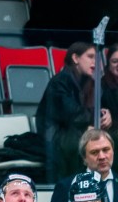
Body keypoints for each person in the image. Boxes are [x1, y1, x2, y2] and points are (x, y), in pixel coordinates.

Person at [36, 43, 109, 185]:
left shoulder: (88, 82)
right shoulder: (59, 82)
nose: (95, 62)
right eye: (90, 57)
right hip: (56, 138)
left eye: (97, 58)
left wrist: (106, 114)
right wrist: (92, 121)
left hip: (72, 133)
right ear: (75, 58)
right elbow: (72, 114)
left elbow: (93, 109)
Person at [49, 128, 118, 202]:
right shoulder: (66, 187)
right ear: (84, 158)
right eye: (95, 152)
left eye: (106, 150)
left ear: (113, 151)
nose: (102, 156)